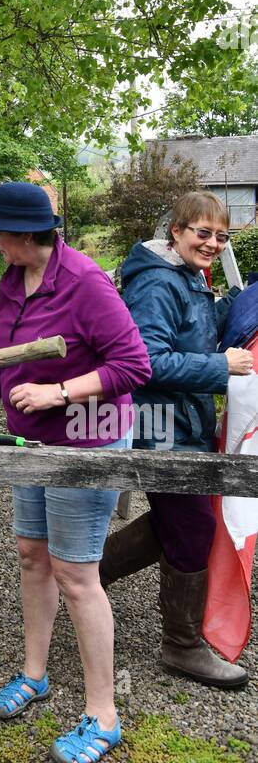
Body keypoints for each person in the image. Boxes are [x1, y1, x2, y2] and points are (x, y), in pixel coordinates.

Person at [0, 182, 152, 763]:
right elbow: (3, 350)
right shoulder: (15, 279)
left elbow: (133, 365)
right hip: (31, 439)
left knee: (75, 573)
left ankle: (104, 716)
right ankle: (35, 674)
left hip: (87, 440)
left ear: (27, 234)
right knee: (30, 554)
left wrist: (59, 391)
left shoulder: (86, 282)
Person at [101, 191, 252, 688]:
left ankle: (79, 575)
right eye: (201, 233)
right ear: (177, 231)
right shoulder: (158, 284)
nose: (211, 243)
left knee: (178, 522)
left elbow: (193, 333)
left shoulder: (190, 278)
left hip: (182, 423)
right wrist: (220, 366)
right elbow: (143, 361)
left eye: (220, 237)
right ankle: (181, 647)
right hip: (159, 426)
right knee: (191, 530)